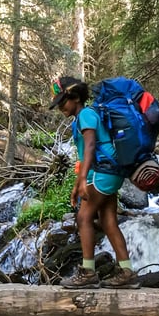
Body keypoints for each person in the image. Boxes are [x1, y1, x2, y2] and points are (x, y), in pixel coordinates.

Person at [49, 75, 140, 289]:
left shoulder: (86, 115)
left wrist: (83, 181)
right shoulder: (86, 115)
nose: (61, 107)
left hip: (103, 171)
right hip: (108, 171)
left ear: (76, 98)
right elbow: (84, 155)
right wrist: (77, 183)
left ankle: (88, 272)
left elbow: (90, 147)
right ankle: (127, 271)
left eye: (63, 101)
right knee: (108, 220)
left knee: (83, 218)